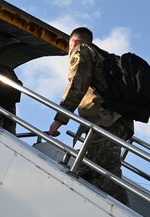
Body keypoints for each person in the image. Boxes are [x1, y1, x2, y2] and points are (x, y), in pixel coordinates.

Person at [47, 27, 132, 206]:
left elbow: (77, 84)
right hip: (115, 121)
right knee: (86, 170)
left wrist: (60, 119)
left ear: (73, 42)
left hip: (104, 122)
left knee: (106, 175)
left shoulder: (82, 50)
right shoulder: (104, 57)